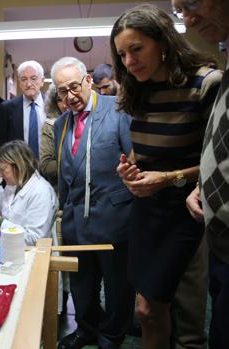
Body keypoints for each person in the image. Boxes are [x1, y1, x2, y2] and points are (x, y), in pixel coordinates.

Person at [111, 4, 222, 349]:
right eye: (122, 55)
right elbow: (144, 151)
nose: (129, 62)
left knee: (182, 319)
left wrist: (170, 177)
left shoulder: (207, 83)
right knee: (146, 311)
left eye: (137, 49)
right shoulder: (137, 89)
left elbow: (216, 162)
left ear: (164, 41)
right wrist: (129, 168)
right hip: (147, 209)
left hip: (189, 212)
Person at [52, 56, 135, 349]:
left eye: (74, 87)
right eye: (62, 91)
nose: (70, 96)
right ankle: (86, 330)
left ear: (88, 81)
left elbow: (135, 165)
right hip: (76, 221)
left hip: (113, 218)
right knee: (81, 286)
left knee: (117, 288)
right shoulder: (61, 124)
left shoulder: (118, 111)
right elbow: (65, 173)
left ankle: (111, 335)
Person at [173, 0, 229, 347]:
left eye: (192, 3)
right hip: (220, 239)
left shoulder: (207, 81)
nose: (189, 19)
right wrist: (201, 183)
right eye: (181, 10)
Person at [0, 60, 46, 157]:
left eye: (33, 78)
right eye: (24, 79)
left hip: (48, 168)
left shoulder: (54, 106)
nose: (28, 84)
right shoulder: (7, 108)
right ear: (19, 82)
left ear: (42, 81)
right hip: (18, 167)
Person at [39, 83, 68, 189]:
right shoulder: (50, 125)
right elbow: (46, 166)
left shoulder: (89, 121)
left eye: (66, 97)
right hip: (61, 189)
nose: (64, 104)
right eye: (59, 100)